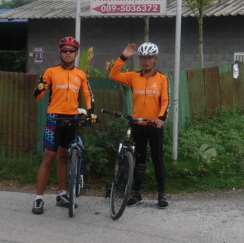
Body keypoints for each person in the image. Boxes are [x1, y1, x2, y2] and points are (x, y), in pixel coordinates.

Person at [31, 36, 95, 215]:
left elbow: (88, 95)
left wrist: (90, 112)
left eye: (72, 51)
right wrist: (41, 87)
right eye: (65, 50)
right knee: (49, 158)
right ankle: (38, 198)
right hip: (55, 118)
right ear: (60, 52)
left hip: (72, 118)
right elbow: (37, 97)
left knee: (64, 157)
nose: (68, 53)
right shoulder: (50, 72)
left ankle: (61, 194)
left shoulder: (80, 74)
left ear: (76, 54)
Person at [109, 42, 170, 209]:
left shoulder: (162, 79)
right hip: (138, 124)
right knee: (139, 160)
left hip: (155, 125)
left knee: (157, 159)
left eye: (149, 57)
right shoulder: (134, 77)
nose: (146, 61)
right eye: (143, 57)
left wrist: (160, 118)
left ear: (155, 59)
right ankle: (137, 193)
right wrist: (123, 57)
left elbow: (165, 101)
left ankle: (162, 195)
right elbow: (113, 75)